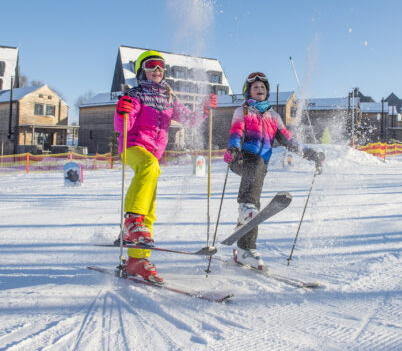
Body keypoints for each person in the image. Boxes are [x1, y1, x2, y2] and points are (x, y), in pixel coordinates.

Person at [114, 50, 217, 282]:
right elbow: (122, 126)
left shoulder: (170, 98)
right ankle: (131, 221)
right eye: (151, 65)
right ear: (142, 70)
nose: (157, 70)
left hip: (153, 154)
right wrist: (123, 112)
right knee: (149, 166)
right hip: (133, 147)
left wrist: (203, 110)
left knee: (149, 206)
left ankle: (136, 260)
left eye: (161, 67)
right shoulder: (135, 95)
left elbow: (190, 120)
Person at [223, 72, 324, 269]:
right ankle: (245, 208)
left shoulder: (274, 117)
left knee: (255, 204)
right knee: (252, 193)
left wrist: (310, 154)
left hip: (259, 166)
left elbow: (289, 140)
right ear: (248, 92)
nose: (260, 89)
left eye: (262, 87)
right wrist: (233, 150)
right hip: (241, 158)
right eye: (255, 87)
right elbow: (236, 133)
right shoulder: (242, 111)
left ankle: (245, 250)